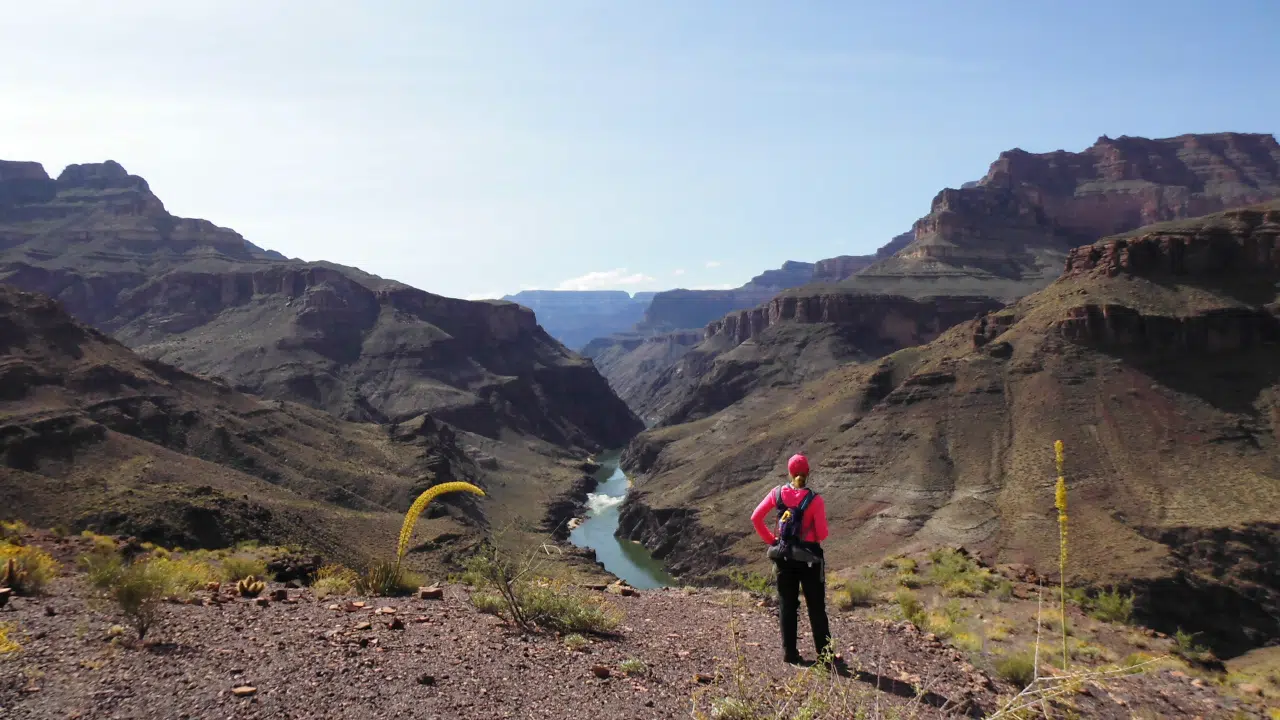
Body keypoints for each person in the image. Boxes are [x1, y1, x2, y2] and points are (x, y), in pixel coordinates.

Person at [750, 453, 833, 665]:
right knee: (816, 607)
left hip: (784, 557)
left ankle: (790, 653)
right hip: (809, 560)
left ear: (789, 472)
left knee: (787, 605)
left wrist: (773, 541)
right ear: (808, 473)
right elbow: (822, 534)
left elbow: (756, 518)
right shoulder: (815, 500)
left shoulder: (777, 493)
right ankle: (825, 657)